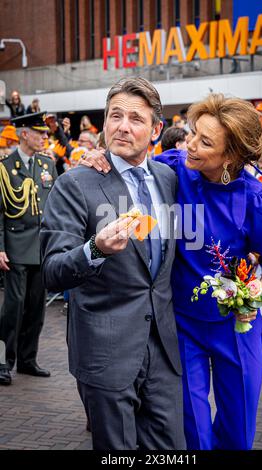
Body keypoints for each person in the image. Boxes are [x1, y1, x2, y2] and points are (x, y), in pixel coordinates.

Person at [83, 93, 262, 450]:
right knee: (191, 430)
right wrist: (99, 155)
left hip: (236, 326)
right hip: (181, 325)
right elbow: (130, 164)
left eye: (204, 142)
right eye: (193, 133)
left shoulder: (259, 200)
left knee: (238, 430)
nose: (189, 144)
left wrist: (254, 292)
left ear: (231, 156)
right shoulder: (176, 167)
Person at [40, 77, 185, 451]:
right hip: (105, 353)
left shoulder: (169, 178)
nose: (123, 126)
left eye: (136, 119)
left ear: (155, 130)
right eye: (115, 115)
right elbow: (52, 271)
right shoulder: (75, 183)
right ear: (104, 122)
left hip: (163, 352)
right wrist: (95, 249)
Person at [0, 112, 57, 386]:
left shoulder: (46, 163)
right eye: (40, 133)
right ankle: (3, 361)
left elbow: (56, 206)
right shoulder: (5, 166)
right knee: (13, 308)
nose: (46, 137)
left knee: (36, 308)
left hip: (41, 247)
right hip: (14, 247)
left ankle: (27, 359)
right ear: (24, 134)